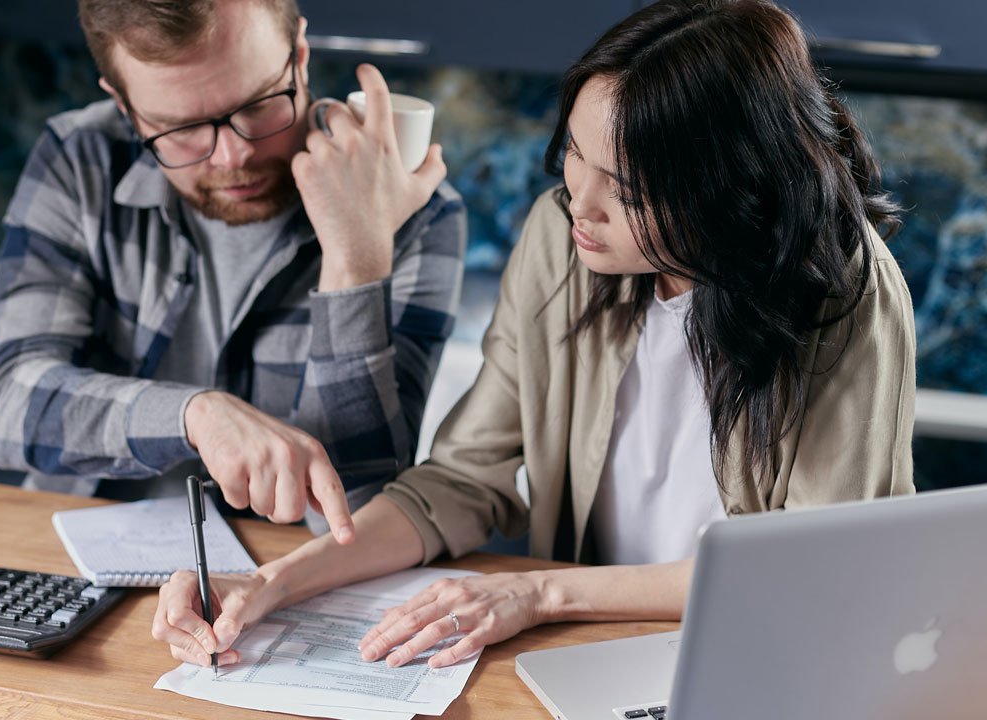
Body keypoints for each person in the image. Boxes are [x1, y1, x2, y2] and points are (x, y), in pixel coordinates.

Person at [151, 0, 917, 671]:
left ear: (728, 189)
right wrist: (273, 583)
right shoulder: (561, 239)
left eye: (625, 190)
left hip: (758, 655)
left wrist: (538, 590)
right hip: (588, 649)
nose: (577, 204)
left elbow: (809, 570)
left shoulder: (846, 292)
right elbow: (459, 481)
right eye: (575, 157)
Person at [0, 0, 467, 541]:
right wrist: (193, 417)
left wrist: (355, 261)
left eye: (257, 105)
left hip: (288, 578)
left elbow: (357, 511)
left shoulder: (416, 210)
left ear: (299, 57)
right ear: (123, 106)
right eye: (178, 128)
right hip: (78, 554)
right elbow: (5, 403)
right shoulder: (79, 159)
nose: (233, 156)